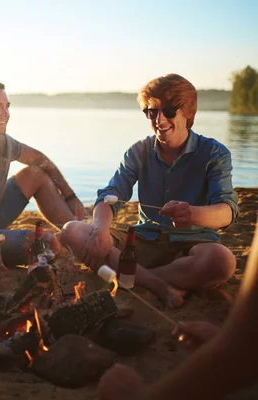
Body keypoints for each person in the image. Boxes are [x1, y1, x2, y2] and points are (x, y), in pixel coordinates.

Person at [60, 74, 238, 309]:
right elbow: (110, 195)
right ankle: (157, 283)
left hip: (191, 247)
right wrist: (101, 230)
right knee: (72, 231)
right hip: (142, 242)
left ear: (188, 114)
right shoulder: (139, 151)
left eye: (170, 111)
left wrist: (193, 213)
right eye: (152, 112)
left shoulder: (214, 153)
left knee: (222, 261)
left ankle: (133, 277)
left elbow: (227, 211)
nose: (159, 119)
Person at [98, 221, 258, 400]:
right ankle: (146, 278)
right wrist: (219, 338)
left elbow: (244, 355)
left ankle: (142, 279)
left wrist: (140, 395)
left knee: (221, 259)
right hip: (147, 241)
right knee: (76, 230)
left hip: (194, 246)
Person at [0, 79, 85, 277]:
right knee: (41, 244)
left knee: (36, 173)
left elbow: (39, 159)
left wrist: (70, 195)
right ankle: (63, 246)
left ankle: (79, 236)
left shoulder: (1, 141)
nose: (5, 114)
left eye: (6, 106)